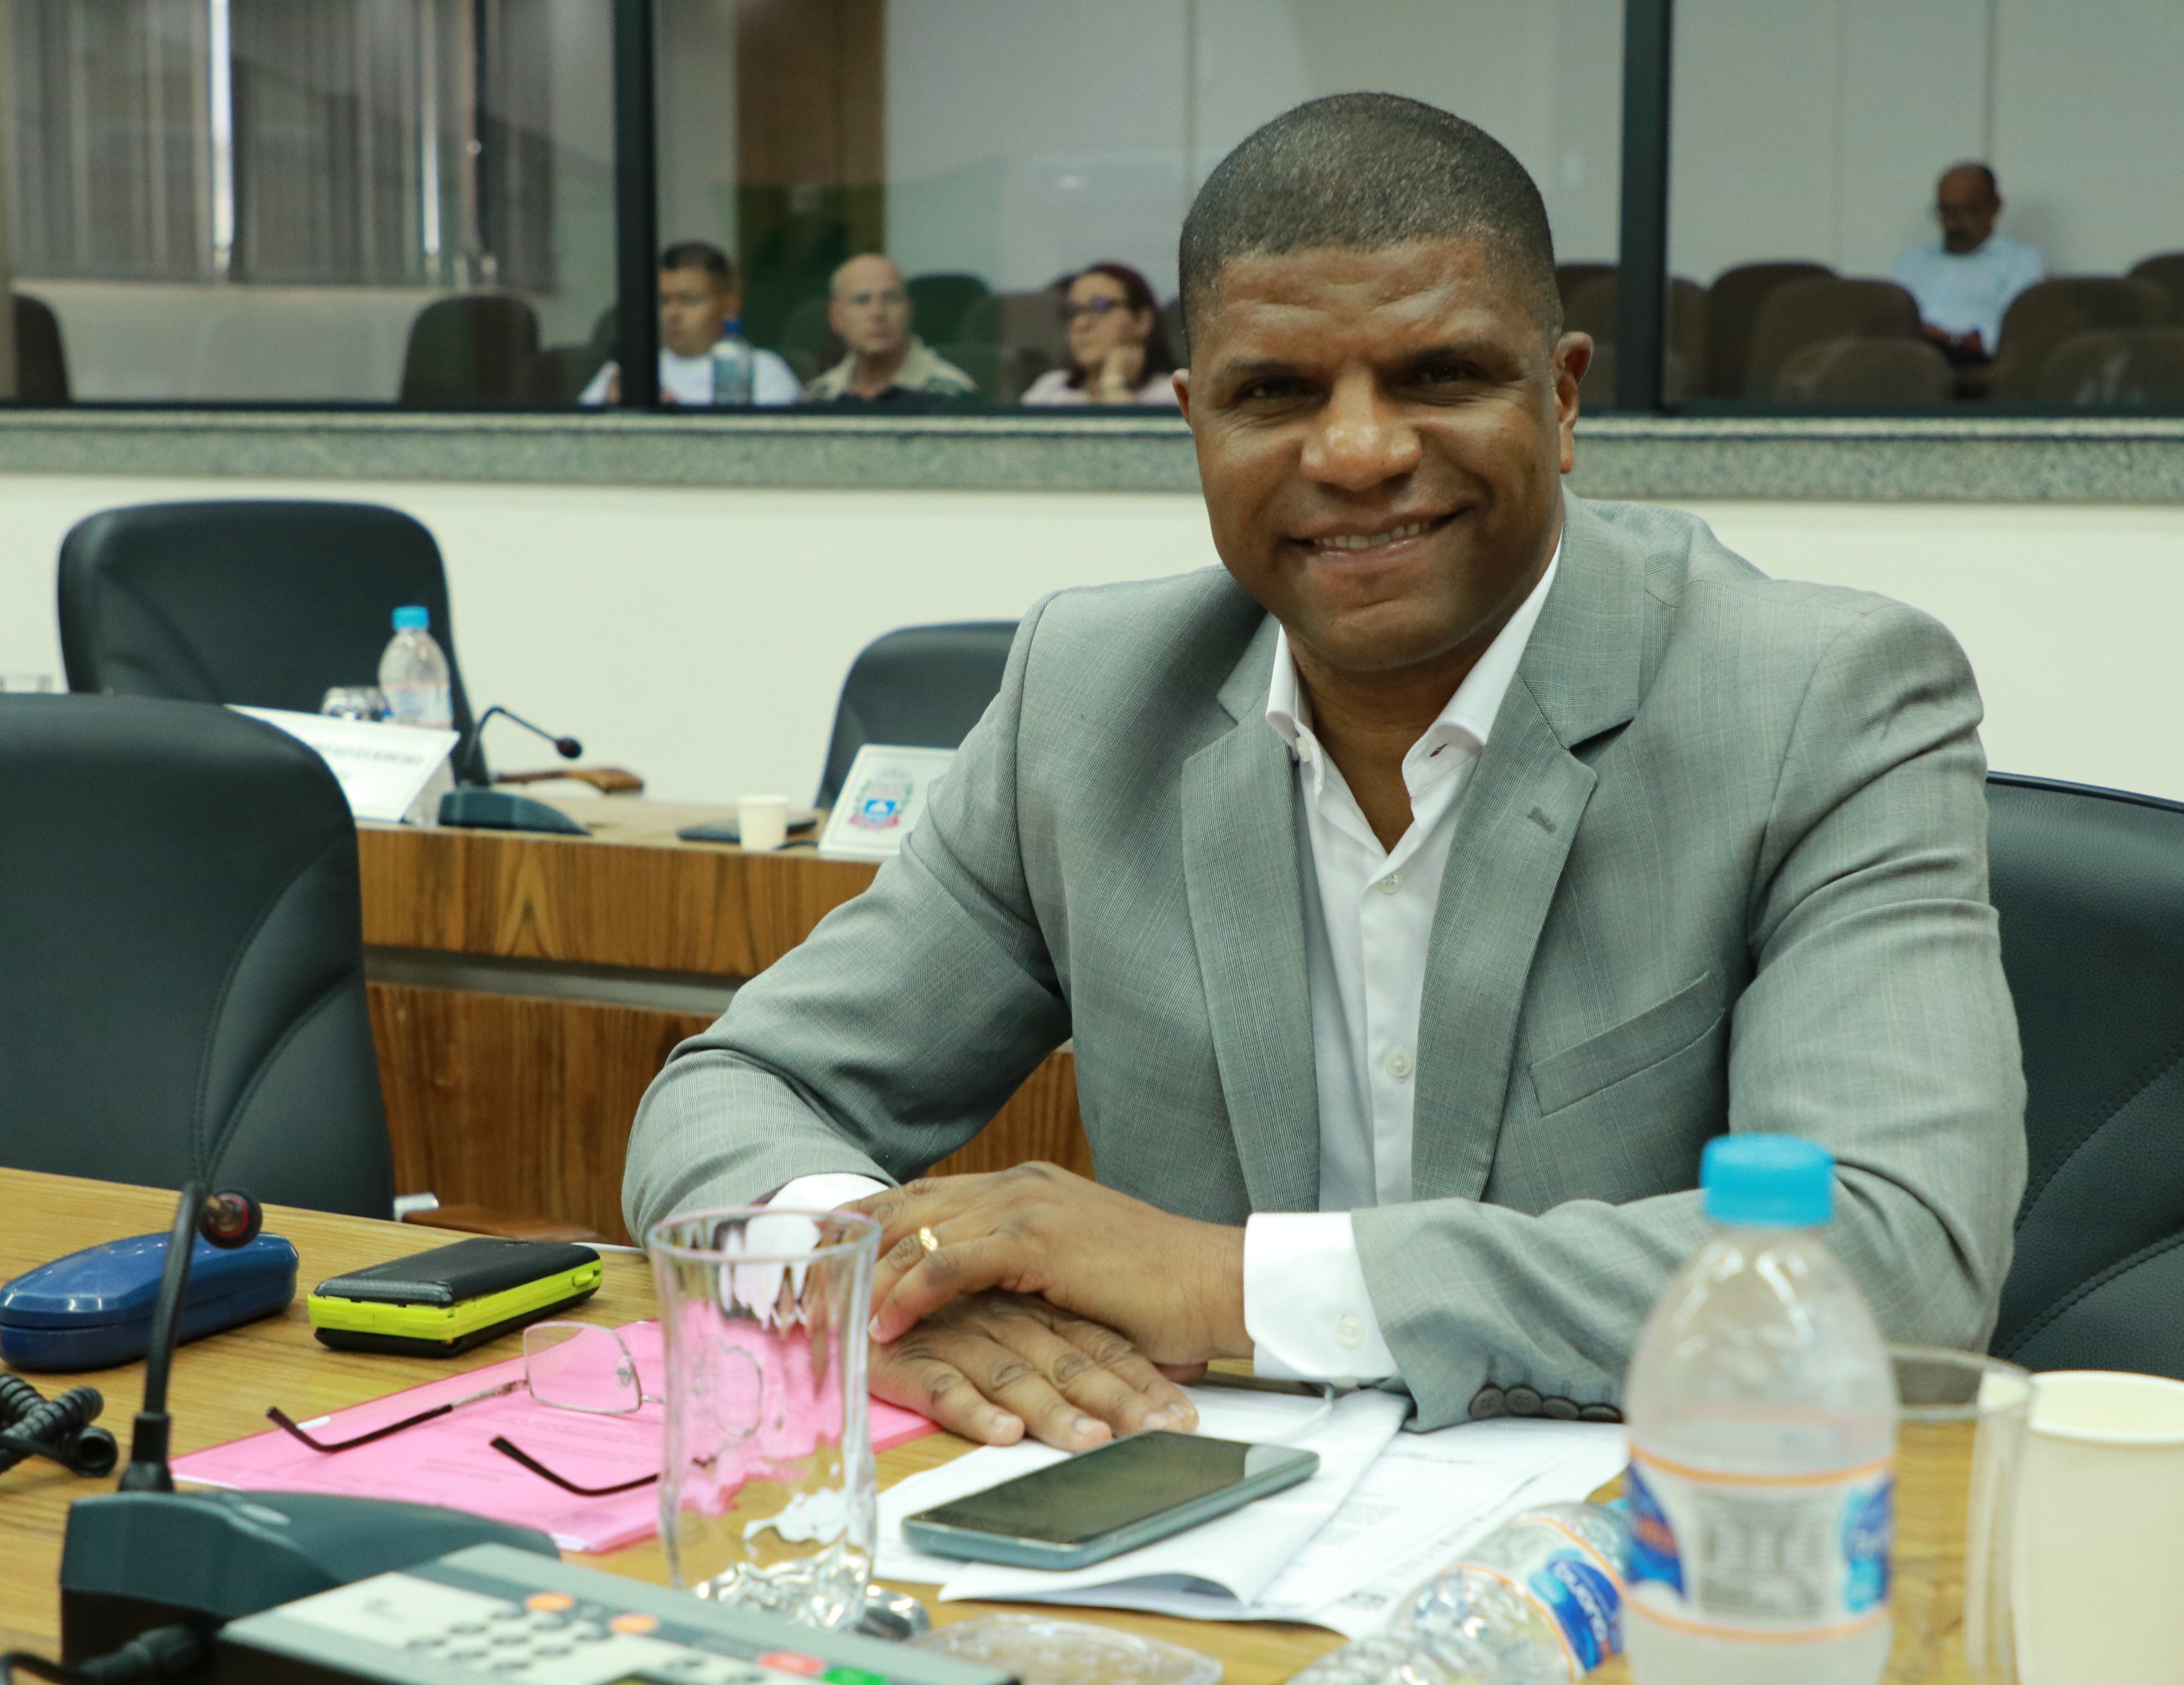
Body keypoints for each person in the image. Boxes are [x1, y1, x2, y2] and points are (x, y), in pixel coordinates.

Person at [625, 93, 2025, 1450]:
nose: (1358, 453)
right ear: (1196, 422)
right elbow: (735, 1092)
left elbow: (1896, 1259)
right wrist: (874, 1285)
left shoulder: (1818, 697)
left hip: (1652, 1540)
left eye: (1440, 376)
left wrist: (1229, 1284)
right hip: (1188, 1528)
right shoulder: (1089, 701)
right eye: (1275, 393)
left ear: (1561, 396)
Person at [579, 241, 800, 406]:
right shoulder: (629, 372)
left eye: (688, 300)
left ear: (730, 306)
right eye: (664, 301)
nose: (672, 313)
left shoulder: (762, 371)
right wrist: (608, 412)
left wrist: (672, 418)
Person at [1889, 163, 2045, 361]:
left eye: (1965, 212)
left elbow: (2016, 333)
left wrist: (1952, 340)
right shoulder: (1912, 261)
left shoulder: (2019, 262)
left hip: (1972, 366)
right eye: (1945, 212)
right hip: (1903, 359)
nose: (1952, 225)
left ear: (1995, 207)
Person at [802, 254, 978, 403]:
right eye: (862, 300)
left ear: (908, 312)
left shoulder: (952, 397)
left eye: (891, 298)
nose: (878, 313)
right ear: (836, 318)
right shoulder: (819, 398)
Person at [1022, 262, 1180, 405]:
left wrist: (1113, 384)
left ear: (1142, 321)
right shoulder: (1051, 390)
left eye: (1101, 307)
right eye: (1073, 312)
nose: (1081, 324)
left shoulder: (1172, 394)